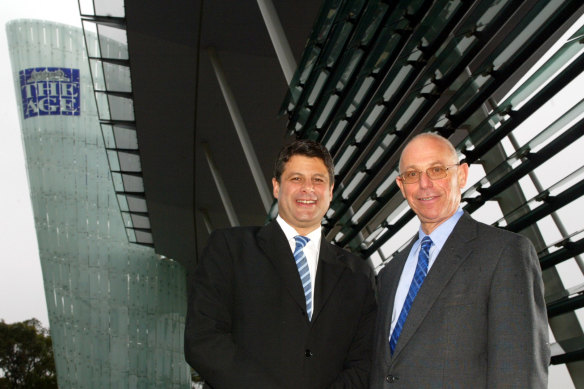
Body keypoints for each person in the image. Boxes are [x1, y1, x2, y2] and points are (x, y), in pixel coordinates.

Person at [185, 139, 377, 389]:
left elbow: (364, 361)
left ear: (330, 192)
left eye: (318, 180)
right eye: (296, 178)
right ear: (276, 187)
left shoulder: (358, 274)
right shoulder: (230, 249)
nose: (307, 189)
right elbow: (203, 339)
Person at [370, 133, 549, 388]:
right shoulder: (389, 274)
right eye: (412, 174)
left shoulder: (504, 252)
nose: (424, 184)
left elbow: (517, 370)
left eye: (437, 170)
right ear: (401, 186)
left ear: (462, 175)